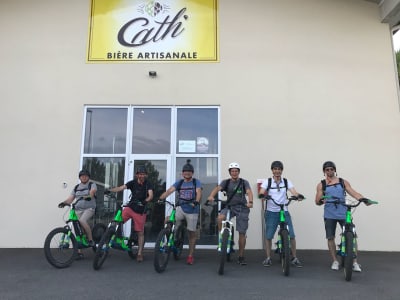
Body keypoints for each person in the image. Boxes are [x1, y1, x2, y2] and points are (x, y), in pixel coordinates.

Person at [315, 161, 366, 272]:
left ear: (335, 170)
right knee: (330, 237)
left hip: (343, 212)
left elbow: (354, 192)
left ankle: (354, 262)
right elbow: (317, 200)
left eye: (331, 169)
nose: (329, 171)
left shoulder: (343, 182)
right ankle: (335, 261)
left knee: (352, 235)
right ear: (324, 171)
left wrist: (363, 199)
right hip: (329, 214)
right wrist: (320, 200)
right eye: (327, 169)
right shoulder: (322, 184)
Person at [258, 161, 304, 268]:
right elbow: (262, 191)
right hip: (271, 212)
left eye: (279, 169)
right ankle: (268, 258)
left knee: (292, 235)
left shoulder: (286, 182)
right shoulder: (267, 182)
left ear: (282, 170)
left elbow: (293, 192)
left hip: (284, 210)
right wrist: (262, 195)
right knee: (269, 236)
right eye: (275, 169)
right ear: (272, 170)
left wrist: (298, 196)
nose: (277, 171)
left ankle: (294, 258)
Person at [207, 162, 253, 265]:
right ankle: (222, 237)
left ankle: (241, 256)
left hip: (242, 207)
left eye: (236, 171)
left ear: (239, 172)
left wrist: (250, 202)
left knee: (242, 233)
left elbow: (249, 192)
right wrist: (211, 196)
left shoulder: (244, 182)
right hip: (229, 207)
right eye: (232, 171)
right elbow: (217, 189)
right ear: (230, 172)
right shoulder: (226, 182)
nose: (234, 173)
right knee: (220, 218)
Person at [159, 159, 202, 265]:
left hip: (192, 209)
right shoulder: (180, 182)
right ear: (182, 173)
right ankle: (168, 240)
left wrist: (196, 201)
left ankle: (190, 255)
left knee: (191, 234)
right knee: (167, 220)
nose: (187, 173)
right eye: (185, 171)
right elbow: (170, 190)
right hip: (181, 208)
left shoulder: (196, 182)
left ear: (192, 173)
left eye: (189, 171)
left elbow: (199, 192)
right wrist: (161, 198)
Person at [107, 166, 153, 262]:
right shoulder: (132, 182)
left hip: (140, 210)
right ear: (137, 175)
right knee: (117, 221)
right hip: (130, 207)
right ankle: (118, 239)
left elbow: (151, 195)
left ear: (146, 175)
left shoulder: (148, 184)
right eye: (140, 174)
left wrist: (145, 201)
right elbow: (121, 188)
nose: (141, 176)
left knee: (140, 233)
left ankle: (140, 253)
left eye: (143, 174)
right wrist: (110, 190)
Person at [58, 169, 97, 259]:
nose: (84, 177)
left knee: (82, 221)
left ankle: (90, 240)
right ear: (79, 177)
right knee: (77, 228)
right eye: (82, 176)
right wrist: (63, 203)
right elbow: (70, 199)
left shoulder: (92, 184)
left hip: (89, 208)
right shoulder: (76, 187)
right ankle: (79, 252)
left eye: (86, 176)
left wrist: (88, 196)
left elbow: (92, 193)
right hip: (77, 209)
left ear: (88, 177)